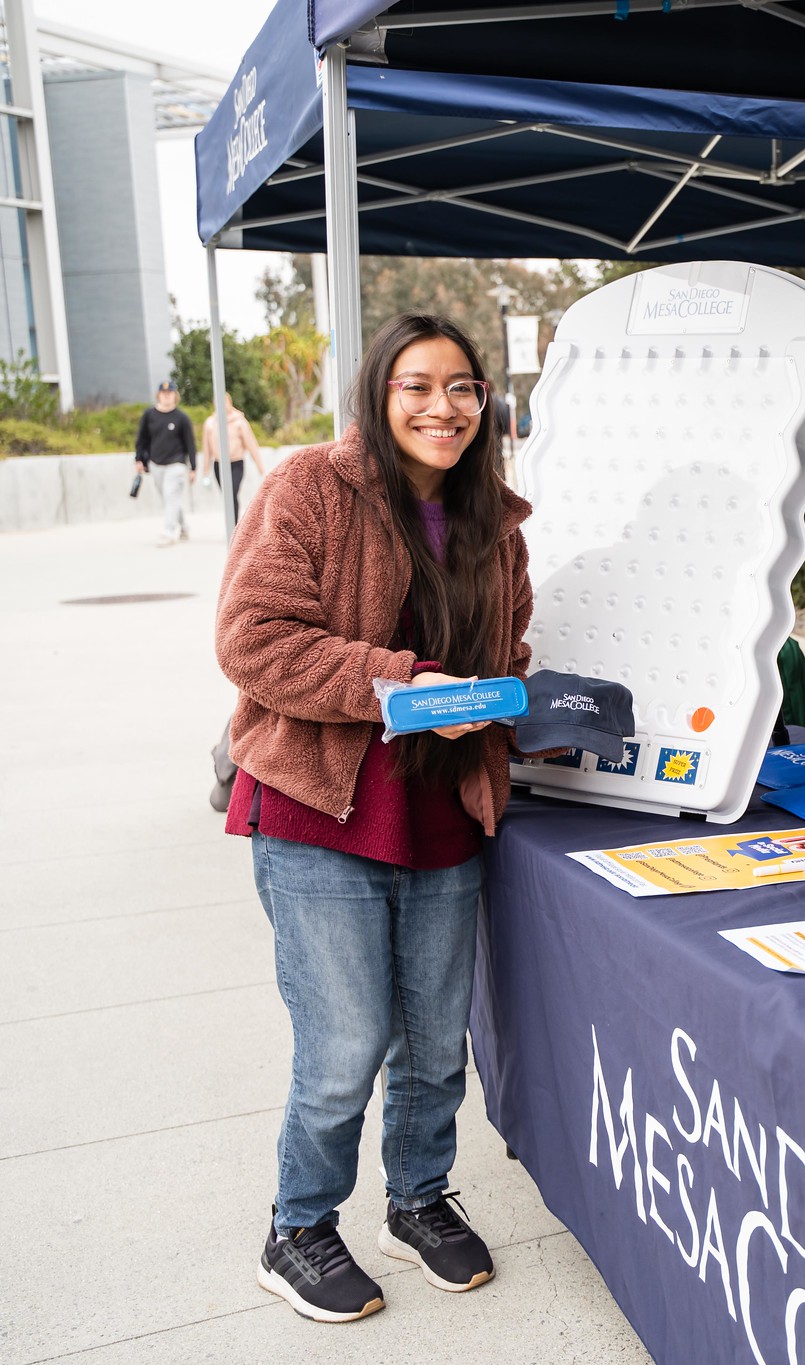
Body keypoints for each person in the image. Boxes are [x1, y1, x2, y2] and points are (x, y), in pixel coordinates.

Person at [216, 313, 529, 1324]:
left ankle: (418, 1199)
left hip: (443, 809)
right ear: (378, 394)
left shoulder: (494, 519)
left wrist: (516, 706)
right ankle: (298, 1226)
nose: (444, 407)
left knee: (436, 1044)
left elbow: (510, 654)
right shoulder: (311, 486)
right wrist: (398, 683)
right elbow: (252, 637)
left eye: (463, 388)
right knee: (345, 1044)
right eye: (418, 386)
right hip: (321, 806)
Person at [135, 380, 196, 546]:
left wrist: (193, 467)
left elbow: (190, 444)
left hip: (176, 464)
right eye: (163, 393)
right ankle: (184, 526)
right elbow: (142, 439)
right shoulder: (149, 415)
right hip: (156, 464)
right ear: (158, 395)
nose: (166, 396)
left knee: (171, 494)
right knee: (169, 498)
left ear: (175, 396)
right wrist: (139, 459)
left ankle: (169, 531)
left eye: (170, 393)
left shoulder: (181, 418)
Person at [198, 390, 268, 521]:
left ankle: (234, 523)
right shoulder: (210, 423)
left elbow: (251, 444)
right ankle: (232, 523)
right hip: (219, 464)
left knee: (232, 492)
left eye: (224, 401)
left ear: (230, 402)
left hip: (236, 463)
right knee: (227, 496)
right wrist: (205, 471)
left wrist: (260, 467)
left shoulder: (239, 421)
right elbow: (207, 448)